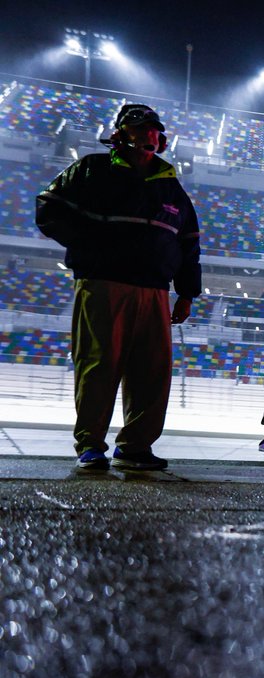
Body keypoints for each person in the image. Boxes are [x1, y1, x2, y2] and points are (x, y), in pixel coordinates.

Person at [36, 103, 202, 471]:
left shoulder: (172, 188)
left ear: (162, 140)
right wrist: (88, 246)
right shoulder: (91, 169)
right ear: (119, 134)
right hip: (103, 284)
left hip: (155, 292)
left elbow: (190, 244)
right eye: (139, 127)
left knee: (153, 372)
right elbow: (47, 208)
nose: (148, 134)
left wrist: (187, 292)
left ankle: (135, 446)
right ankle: (91, 445)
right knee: (98, 366)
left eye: (154, 129)